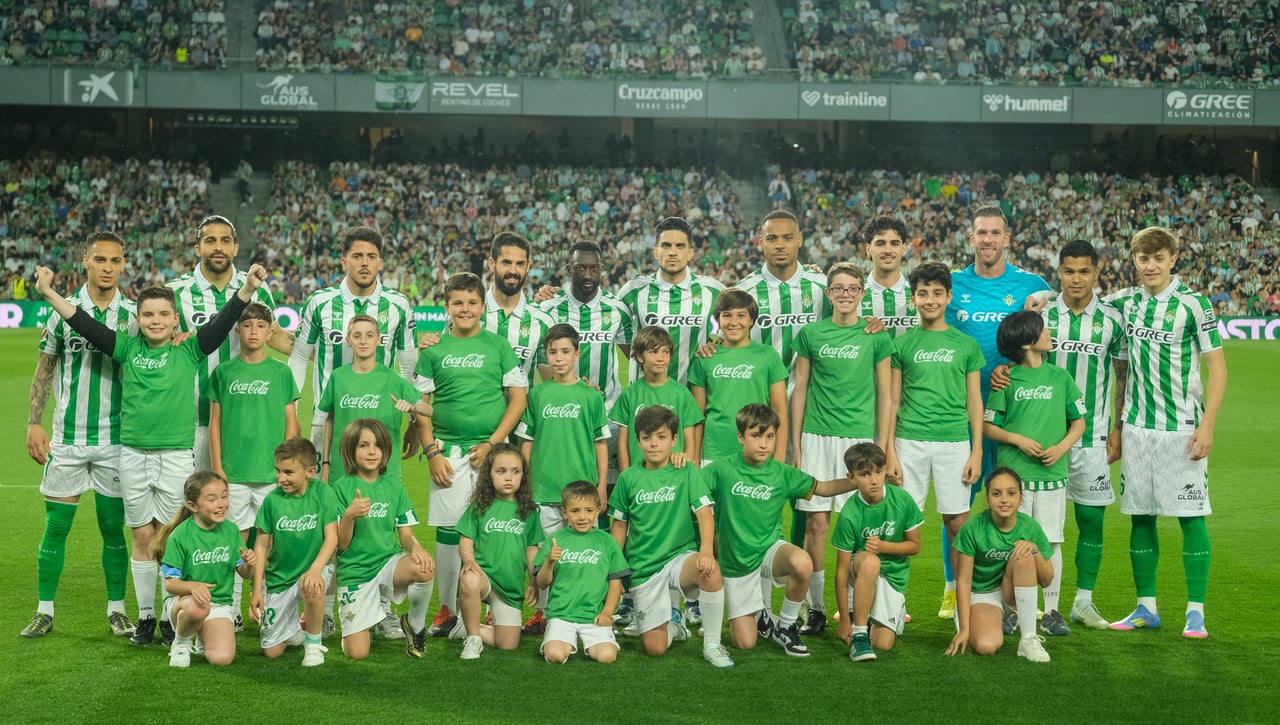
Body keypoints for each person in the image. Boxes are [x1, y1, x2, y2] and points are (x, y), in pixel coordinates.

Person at [33, 262, 267, 647]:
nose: (155, 322)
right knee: (142, 534)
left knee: (170, 536)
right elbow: (83, 324)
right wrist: (49, 294)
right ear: (137, 319)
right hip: (132, 455)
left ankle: (166, 617)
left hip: (176, 456)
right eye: (147, 315)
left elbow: (223, 322)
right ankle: (144, 618)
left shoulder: (190, 348)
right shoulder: (125, 347)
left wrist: (247, 290)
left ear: (176, 320)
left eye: (163, 315)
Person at [1106, 227, 1226, 639]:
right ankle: (1146, 608)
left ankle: (1196, 612)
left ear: (1173, 259)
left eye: (1159, 257)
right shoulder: (1126, 302)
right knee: (1140, 517)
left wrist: (1207, 425)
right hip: (1138, 430)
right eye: (1143, 258)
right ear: (1135, 261)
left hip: (1182, 431)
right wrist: (1118, 427)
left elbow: (1219, 369)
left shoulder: (1194, 305)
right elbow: (1081, 299)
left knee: (1191, 518)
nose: (1151, 265)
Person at [939, 204, 1051, 619]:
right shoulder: (951, 285)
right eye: (981, 232)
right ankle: (954, 588)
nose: (988, 239)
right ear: (970, 238)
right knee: (959, 504)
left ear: (1008, 238)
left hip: (1012, 412)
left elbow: (1046, 337)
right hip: (959, 413)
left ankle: (1013, 587)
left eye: (995, 232)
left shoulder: (1032, 285)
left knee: (1012, 500)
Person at [22, 232, 135, 639]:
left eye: (115, 260)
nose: (107, 267)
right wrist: (34, 422)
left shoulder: (135, 316)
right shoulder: (60, 311)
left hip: (115, 440)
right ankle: (44, 609)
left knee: (112, 527)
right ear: (85, 261)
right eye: (100, 259)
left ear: (124, 265)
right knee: (56, 527)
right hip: (66, 438)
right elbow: (44, 370)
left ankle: (118, 609)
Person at [413, 272, 528, 638]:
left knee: (492, 529)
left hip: (491, 455)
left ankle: (487, 608)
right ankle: (447, 609)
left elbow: (518, 399)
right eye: (457, 303)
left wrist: (494, 443)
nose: (465, 309)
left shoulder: (498, 346)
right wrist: (431, 452)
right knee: (449, 531)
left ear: (483, 306)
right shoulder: (433, 350)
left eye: (472, 302)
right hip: (448, 453)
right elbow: (420, 405)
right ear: (446, 307)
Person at [702, 404, 857, 657]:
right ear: (740, 437)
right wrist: (676, 462)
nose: (763, 444)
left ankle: (785, 625)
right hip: (735, 564)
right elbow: (691, 486)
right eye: (756, 436)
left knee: (803, 562)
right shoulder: (721, 470)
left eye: (770, 437)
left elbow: (825, 488)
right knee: (745, 642)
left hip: (768, 551)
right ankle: (761, 614)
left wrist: (856, 481)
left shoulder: (783, 473)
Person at [790, 262, 894, 635]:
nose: (845, 293)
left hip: (859, 440)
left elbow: (886, 394)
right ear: (828, 293)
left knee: (861, 525)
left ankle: (855, 606)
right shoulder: (811, 334)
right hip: (816, 437)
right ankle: (816, 608)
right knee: (816, 524)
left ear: (862, 293)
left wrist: (882, 446)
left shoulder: (876, 337)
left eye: (853, 288)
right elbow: (799, 388)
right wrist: (796, 443)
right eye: (838, 288)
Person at [884, 261, 984, 622]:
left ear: (949, 297)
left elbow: (975, 401)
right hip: (908, 443)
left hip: (954, 444)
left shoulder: (967, 345)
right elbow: (892, 401)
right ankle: (894, 605)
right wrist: (889, 451)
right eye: (923, 293)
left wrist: (976, 450)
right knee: (899, 525)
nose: (930, 300)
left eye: (937, 293)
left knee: (957, 524)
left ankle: (961, 605)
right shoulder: (902, 344)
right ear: (913, 299)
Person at [1042, 240, 1128, 630]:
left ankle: (1083, 602)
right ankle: (1040, 604)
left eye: (1084, 271)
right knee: (1042, 527)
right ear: (1059, 272)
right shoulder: (1041, 316)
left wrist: (1118, 426)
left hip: (1092, 440)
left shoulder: (1112, 321)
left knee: (1091, 523)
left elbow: (1122, 376)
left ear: (1097, 272)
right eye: (1068, 271)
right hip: (1045, 440)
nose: (1076, 279)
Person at [984, 310, 1086, 636]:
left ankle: (1052, 610)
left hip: (1053, 474)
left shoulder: (1061, 378)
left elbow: (1078, 422)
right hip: (1014, 480)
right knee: (1013, 540)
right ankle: (1010, 610)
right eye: (1043, 329)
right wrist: (1017, 439)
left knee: (1051, 540)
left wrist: (1062, 447)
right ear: (1028, 342)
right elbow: (988, 426)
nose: (1049, 332)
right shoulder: (1007, 379)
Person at [608, 406, 733, 668]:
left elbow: (705, 514)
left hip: (679, 557)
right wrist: (616, 571)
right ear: (638, 439)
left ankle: (712, 643)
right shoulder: (628, 478)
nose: (654, 443)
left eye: (662, 437)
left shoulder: (686, 471)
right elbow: (619, 526)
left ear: (674, 440)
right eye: (647, 437)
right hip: (643, 567)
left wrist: (707, 551)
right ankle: (675, 624)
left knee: (710, 571)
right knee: (655, 648)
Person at [289, 225, 417, 475]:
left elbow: (409, 364)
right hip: (326, 420)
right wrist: (291, 414)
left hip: (381, 422)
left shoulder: (398, 305)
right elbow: (300, 356)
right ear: (344, 261)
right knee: (325, 502)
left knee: (380, 504)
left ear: (380, 262)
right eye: (357, 256)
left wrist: (413, 418)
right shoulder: (320, 302)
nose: (364, 263)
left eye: (371, 257)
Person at [169, 215, 289, 473]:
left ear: (235, 248)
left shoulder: (257, 288)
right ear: (198, 248)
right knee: (186, 502)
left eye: (225, 241)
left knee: (235, 501)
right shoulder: (175, 292)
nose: (218, 247)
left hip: (243, 418)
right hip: (190, 419)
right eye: (210, 241)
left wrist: (323, 349)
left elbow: (276, 335)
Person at [206, 302, 301, 628]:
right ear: (238, 331)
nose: (254, 332)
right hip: (233, 473)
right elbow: (214, 424)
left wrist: (285, 469)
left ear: (270, 331)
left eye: (261, 326)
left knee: (272, 542)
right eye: (247, 326)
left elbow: (292, 424)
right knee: (232, 539)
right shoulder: (223, 372)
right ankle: (229, 608)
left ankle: (269, 607)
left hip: (269, 474)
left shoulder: (281, 372)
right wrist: (217, 467)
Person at [516, 324, 610, 634]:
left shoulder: (591, 396)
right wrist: (525, 481)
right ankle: (543, 612)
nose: (558, 358)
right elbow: (527, 440)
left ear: (577, 354)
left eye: (565, 352)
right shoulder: (538, 394)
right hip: (543, 488)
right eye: (552, 353)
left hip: (581, 496)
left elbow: (599, 442)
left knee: (583, 556)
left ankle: (586, 609)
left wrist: (600, 486)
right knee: (546, 553)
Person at [330, 419, 435, 660]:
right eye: (363, 445)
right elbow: (341, 545)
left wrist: (416, 548)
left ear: (386, 450)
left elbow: (405, 535)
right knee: (357, 653)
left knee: (424, 568)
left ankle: (414, 626)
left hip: (387, 565)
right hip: (355, 573)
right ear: (350, 450)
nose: (371, 451)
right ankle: (369, 613)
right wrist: (349, 515)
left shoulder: (393, 487)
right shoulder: (341, 488)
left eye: (377, 445)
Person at [151, 471, 259, 668]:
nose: (221, 504)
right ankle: (181, 643)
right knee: (198, 607)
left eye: (224, 496)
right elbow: (171, 584)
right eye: (212, 499)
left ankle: (202, 634)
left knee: (221, 659)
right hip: (185, 603)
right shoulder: (180, 535)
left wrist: (249, 564)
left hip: (219, 603)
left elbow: (243, 573)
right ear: (192, 505)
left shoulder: (231, 530)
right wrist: (193, 587)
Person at [946, 468, 1055, 662]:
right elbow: (963, 581)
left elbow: (1047, 580)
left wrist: (1034, 549)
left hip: (1010, 591)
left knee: (1025, 555)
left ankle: (1028, 639)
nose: (1004, 500)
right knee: (986, 646)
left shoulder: (1030, 527)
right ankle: (990, 619)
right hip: (981, 595)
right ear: (987, 499)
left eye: (1011, 493)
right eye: (996, 494)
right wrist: (964, 629)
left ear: (1021, 498)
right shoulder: (972, 528)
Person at [249, 438, 339, 666]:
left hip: (315, 569)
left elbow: (332, 538)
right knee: (272, 651)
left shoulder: (324, 493)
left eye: (288, 472)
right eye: (278, 471)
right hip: (280, 578)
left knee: (313, 586)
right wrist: (257, 589)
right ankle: (294, 631)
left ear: (310, 471)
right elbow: (260, 546)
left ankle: (314, 644)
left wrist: (315, 570)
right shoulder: (271, 501)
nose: (281, 478)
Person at [831, 443, 923, 661]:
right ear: (851, 477)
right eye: (864, 474)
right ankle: (860, 635)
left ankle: (875, 616)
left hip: (894, 575)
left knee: (883, 644)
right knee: (872, 562)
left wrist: (884, 546)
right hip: (863, 570)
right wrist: (845, 619)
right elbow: (842, 572)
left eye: (878, 472)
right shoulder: (849, 514)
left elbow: (915, 546)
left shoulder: (902, 500)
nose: (874, 480)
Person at [318, 315, 431, 488]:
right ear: (348, 340)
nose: (363, 341)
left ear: (379, 340)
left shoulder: (392, 378)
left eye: (369, 335)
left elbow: (429, 410)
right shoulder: (337, 377)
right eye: (357, 336)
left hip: (384, 473)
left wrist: (413, 407)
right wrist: (326, 463)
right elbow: (330, 420)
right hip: (342, 472)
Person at [454, 443, 544, 660]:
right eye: (501, 471)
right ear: (489, 474)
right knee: (470, 580)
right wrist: (468, 561)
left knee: (507, 644)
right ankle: (473, 637)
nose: (508, 477)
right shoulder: (480, 506)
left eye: (515, 472)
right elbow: (466, 539)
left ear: (523, 475)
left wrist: (533, 580)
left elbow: (531, 549)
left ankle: (466, 626)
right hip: (483, 576)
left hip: (509, 586)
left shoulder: (529, 510)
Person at [617, 216, 724, 384]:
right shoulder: (633, 290)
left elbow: (738, 324)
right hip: (646, 399)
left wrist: (718, 345)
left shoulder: (713, 290)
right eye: (666, 245)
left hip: (694, 397)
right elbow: (613, 332)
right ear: (655, 251)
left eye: (680, 246)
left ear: (690, 253)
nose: (672, 252)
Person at [533, 481, 630, 664]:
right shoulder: (555, 539)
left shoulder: (607, 542)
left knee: (606, 656)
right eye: (575, 511)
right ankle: (561, 640)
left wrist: (607, 612)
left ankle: (594, 639)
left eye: (589, 510)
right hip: (561, 615)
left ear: (598, 510)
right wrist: (549, 561)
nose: (582, 517)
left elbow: (615, 581)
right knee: (555, 655)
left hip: (593, 616)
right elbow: (542, 583)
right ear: (564, 512)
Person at [689, 289, 788, 465]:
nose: (734, 322)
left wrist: (778, 460)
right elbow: (697, 417)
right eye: (727, 315)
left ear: (751, 320)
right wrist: (694, 460)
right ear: (718, 320)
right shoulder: (704, 358)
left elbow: (780, 412)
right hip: (713, 454)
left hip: (758, 452)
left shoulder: (768, 355)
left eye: (741, 315)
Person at [609, 326, 704, 471]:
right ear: (640, 357)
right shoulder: (629, 394)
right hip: (640, 477)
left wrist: (687, 469)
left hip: (674, 475)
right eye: (654, 352)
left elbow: (689, 440)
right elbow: (622, 443)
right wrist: (626, 477)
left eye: (665, 352)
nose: (660, 358)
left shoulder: (682, 393)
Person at [860, 215, 919, 338]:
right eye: (880, 244)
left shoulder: (920, 296)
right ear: (868, 249)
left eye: (894, 243)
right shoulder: (852, 296)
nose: (888, 250)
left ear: (904, 249)